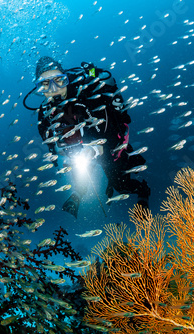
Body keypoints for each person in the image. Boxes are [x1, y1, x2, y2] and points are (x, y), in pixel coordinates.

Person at [23, 56, 150, 219]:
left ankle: (143, 191)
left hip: (108, 149)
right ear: (39, 89)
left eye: (58, 80)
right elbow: (49, 142)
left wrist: (96, 149)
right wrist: (59, 158)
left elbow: (113, 129)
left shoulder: (88, 94)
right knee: (80, 182)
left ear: (66, 79)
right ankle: (77, 196)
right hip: (77, 154)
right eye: (45, 84)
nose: (53, 88)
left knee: (121, 186)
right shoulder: (45, 113)